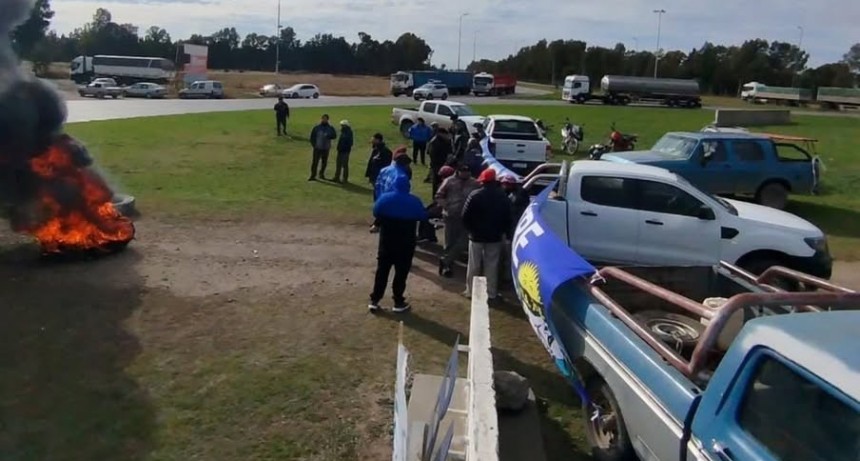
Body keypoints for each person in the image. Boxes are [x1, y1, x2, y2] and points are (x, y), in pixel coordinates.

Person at [368, 175, 428, 313]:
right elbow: (423, 216)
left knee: (382, 271)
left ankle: (375, 300)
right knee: (401, 273)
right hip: (405, 243)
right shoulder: (414, 201)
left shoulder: (384, 199)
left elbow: (377, 212)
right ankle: (398, 301)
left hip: (386, 242)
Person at [461, 168, 513, 300]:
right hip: (494, 236)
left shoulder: (475, 195)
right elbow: (508, 217)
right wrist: (505, 232)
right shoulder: (503, 196)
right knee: (492, 265)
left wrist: (471, 230)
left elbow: (465, 216)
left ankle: (470, 291)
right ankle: (491, 292)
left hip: (476, 236)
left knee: (474, 264)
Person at [435, 163, 479, 277]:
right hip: (450, 216)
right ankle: (447, 266)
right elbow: (439, 196)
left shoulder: (475, 183)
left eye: (468, 171)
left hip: (467, 216)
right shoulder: (449, 181)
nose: (466, 173)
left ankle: (446, 260)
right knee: (450, 241)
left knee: (464, 241)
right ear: (458, 171)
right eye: (463, 171)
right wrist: (446, 206)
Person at [500, 175, 530, 284]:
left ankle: (508, 278)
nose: (505, 186)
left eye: (507, 184)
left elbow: (513, 215)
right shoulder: (507, 193)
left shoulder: (519, 196)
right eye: (504, 184)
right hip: (506, 230)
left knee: (509, 256)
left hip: (513, 231)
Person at [308, 114, 337, 181]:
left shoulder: (330, 128)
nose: (324, 120)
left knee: (324, 162)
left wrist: (328, 135)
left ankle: (321, 174)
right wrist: (314, 145)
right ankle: (313, 175)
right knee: (315, 162)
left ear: (327, 120)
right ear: (321, 119)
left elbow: (334, 136)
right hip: (317, 148)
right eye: (323, 118)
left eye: (325, 119)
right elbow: (312, 137)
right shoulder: (316, 128)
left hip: (326, 148)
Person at [427, 127, 454, 197]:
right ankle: (435, 197)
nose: (446, 136)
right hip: (437, 165)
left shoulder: (446, 141)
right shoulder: (434, 142)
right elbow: (432, 155)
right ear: (440, 134)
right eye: (445, 134)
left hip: (445, 164)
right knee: (436, 182)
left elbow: (450, 151)